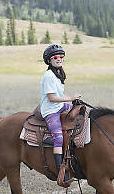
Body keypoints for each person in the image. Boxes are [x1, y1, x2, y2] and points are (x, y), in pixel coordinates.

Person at [40, 44, 81, 184]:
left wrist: (72, 102)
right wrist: (70, 98)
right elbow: (51, 98)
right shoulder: (48, 75)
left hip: (60, 105)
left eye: (61, 57)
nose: (59, 59)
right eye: (55, 57)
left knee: (80, 110)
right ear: (49, 60)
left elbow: (60, 94)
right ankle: (60, 171)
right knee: (58, 137)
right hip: (50, 110)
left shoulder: (58, 74)